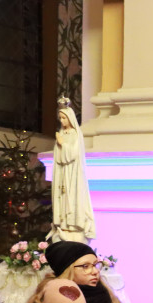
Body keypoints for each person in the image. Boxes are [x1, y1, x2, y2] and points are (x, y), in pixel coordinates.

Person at [48, 99, 95, 243]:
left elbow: (73, 153)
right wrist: (59, 145)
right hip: (62, 172)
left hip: (72, 173)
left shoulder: (75, 134)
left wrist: (62, 144)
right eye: (60, 118)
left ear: (70, 118)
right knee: (61, 197)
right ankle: (63, 224)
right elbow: (59, 156)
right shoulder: (61, 133)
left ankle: (73, 224)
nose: (62, 121)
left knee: (72, 197)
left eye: (64, 118)